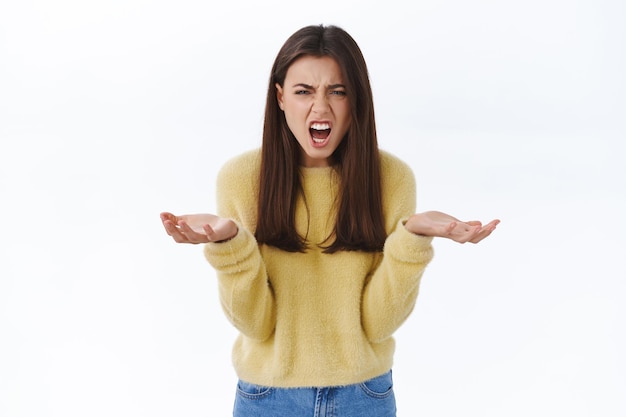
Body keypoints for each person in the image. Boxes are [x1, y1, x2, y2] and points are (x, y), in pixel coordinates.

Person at [160, 24, 499, 417]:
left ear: (356, 100)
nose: (320, 108)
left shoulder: (391, 178)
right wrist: (231, 243)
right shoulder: (241, 178)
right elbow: (256, 325)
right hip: (268, 399)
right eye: (304, 91)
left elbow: (377, 324)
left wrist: (412, 238)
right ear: (281, 97)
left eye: (337, 92)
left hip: (364, 397)